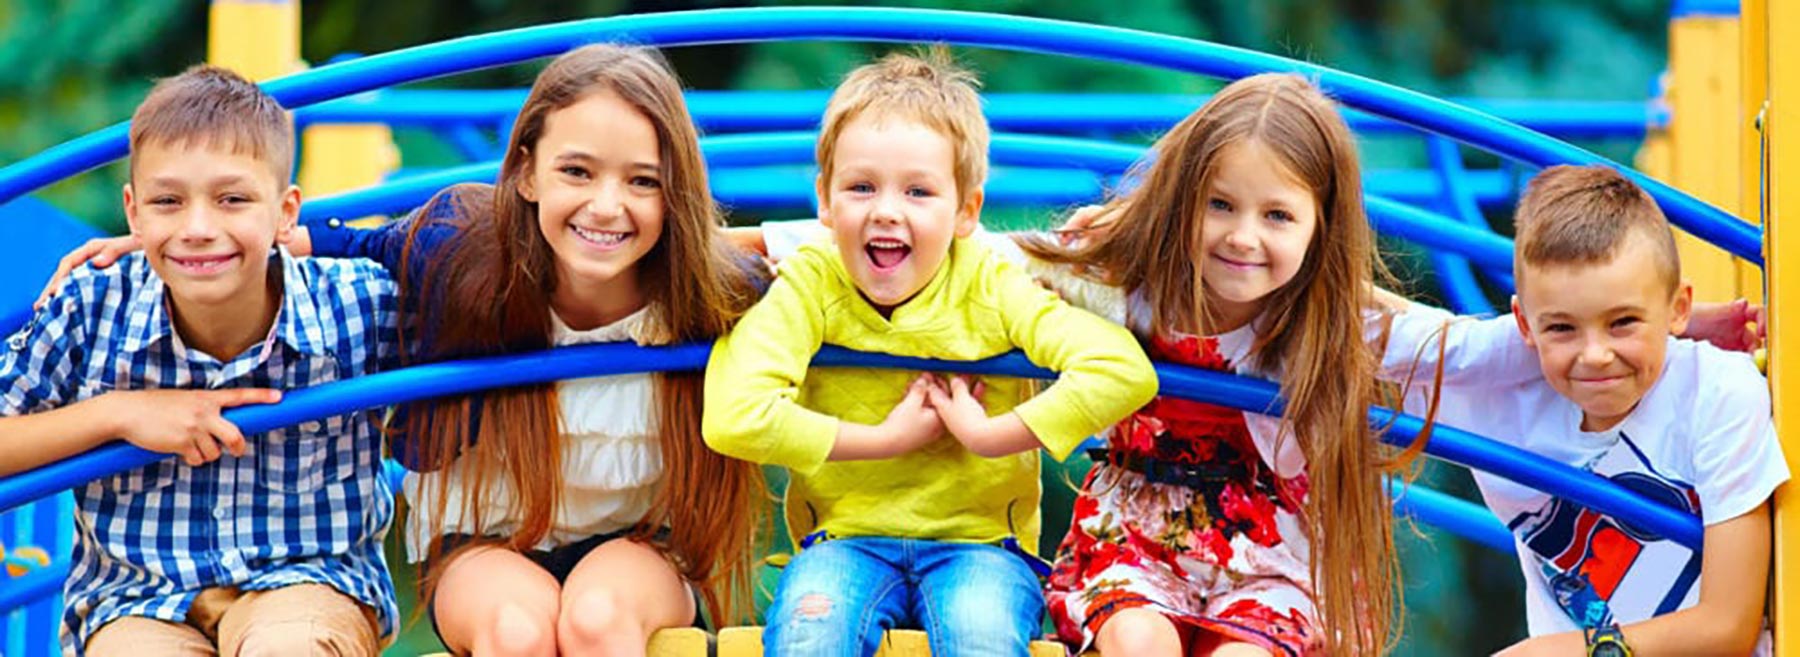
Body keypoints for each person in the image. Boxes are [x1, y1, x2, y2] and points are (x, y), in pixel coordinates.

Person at [701, 50, 1158, 657]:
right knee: (812, 633)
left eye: (919, 191)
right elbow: (732, 414)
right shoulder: (811, 282)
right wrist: (885, 440)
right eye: (861, 187)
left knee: (980, 635)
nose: (887, 209)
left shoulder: (993, 284)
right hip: (846, 539)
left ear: (967, 211)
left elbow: (1122, 370)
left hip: (980, 546)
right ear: (826, 201)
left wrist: (991, 434)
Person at [0, 65, 398, 656]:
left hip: (308, 579)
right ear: (133, 214)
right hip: (137, 601)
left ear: (287, 212)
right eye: (168, 202)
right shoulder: (91, 305)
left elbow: (485, 253)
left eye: (233, 199)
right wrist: (114, 415)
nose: (198, 228)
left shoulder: (358, 304)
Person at [1382, 165, 1786, 656]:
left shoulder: (1715, 391)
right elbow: (1346, 318)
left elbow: (1728, 626)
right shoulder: (1498, 398)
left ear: (1678, 308)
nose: (1594, 354)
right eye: (1562, 329)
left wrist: (1554, 651)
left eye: (1622, 322)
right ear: (1524, 326)